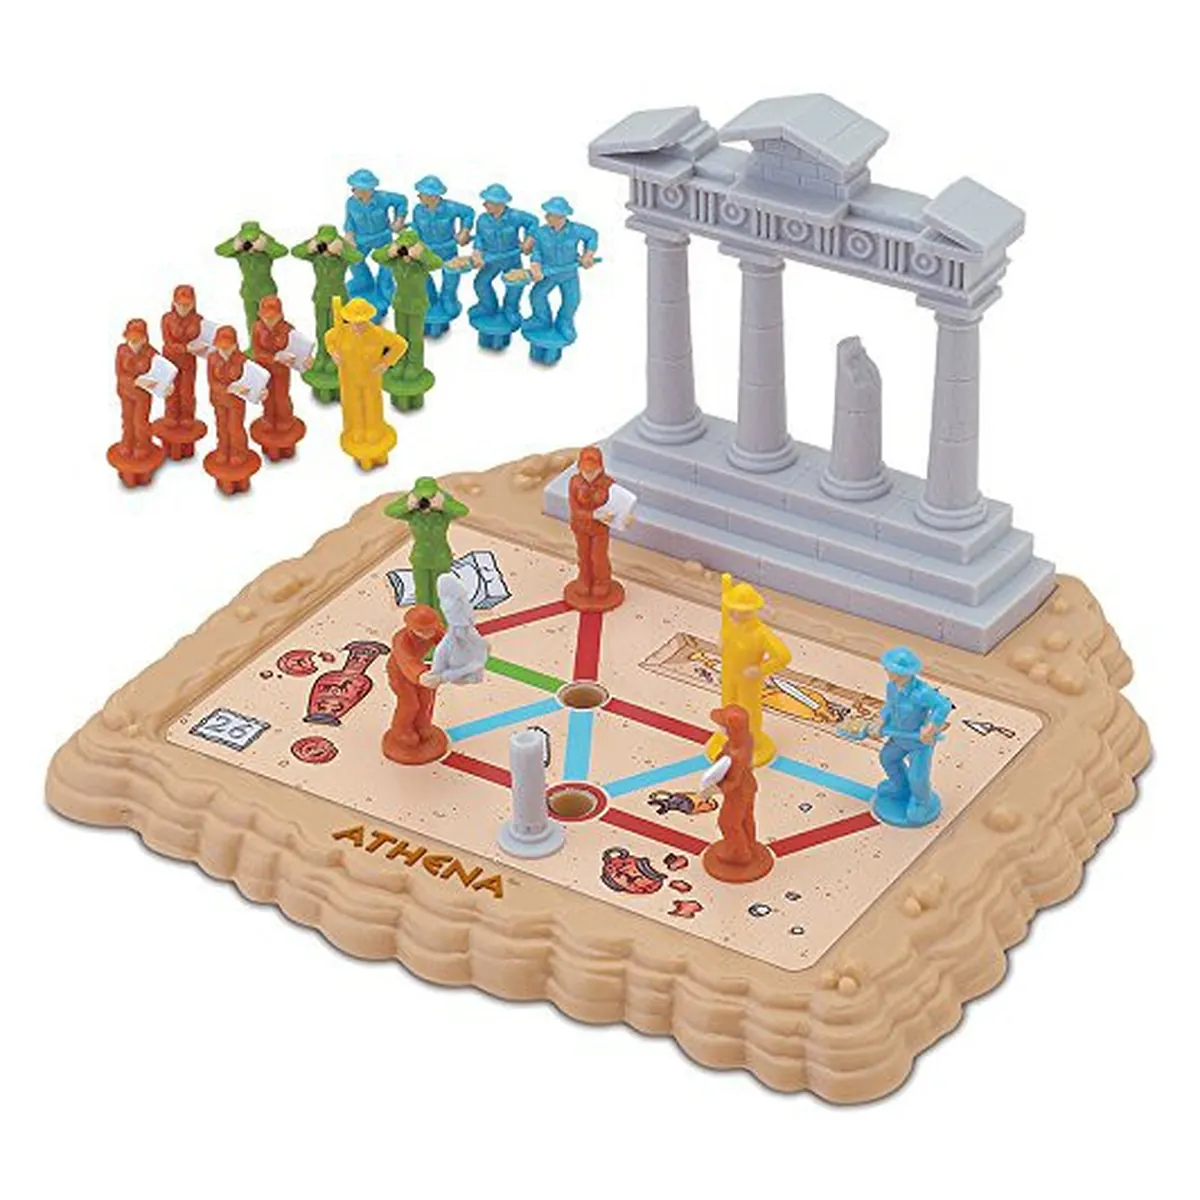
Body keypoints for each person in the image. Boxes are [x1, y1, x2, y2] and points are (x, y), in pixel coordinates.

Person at [707, 573, 791, 767]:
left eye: (738, 610)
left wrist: (760, 669)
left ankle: (750, 743)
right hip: (729, 675)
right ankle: (730, 738)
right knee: (727, 705)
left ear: (750, 611)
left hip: (748, 681)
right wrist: (722, 640)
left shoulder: (761, 634)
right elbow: (726, 632)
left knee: (748, 711)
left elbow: (783, 656)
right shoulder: (730, 623)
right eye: (732, 608)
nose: (733, 613)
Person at [868, 647, 952, 827]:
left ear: (901, 672)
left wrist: (931, 727)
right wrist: (881, 721)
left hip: (919, 743)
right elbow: (890, 706)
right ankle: (900, 787)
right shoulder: (891, 687)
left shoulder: (922, 693)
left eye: (889, 668)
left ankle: (922, 802)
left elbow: (943, 705)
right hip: (898, 738)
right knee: (887, 758)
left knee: (918, 778)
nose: (886, 671)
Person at [324, 296, 406, 469]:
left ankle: (373, 429)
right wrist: (333, 352)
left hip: (370, 379)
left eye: (361, 321)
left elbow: (400, 344)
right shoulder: (341, 332)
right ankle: (358, 429)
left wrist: (386, 362)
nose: (358, 325)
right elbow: (328, 339)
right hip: (349, 379)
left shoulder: (378, 334)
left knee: (372, 404)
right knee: (354, 405)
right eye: (354, 321)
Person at [699, 705, 773, 883]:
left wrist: (712, 789)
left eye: (723, 726)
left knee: (728, 823)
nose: (720, 728)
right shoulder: (746, 740)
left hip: (738, 793)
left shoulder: (736, 753)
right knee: (745, 818)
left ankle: (739, 854)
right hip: (749, 786)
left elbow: (733, 781)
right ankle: (749, 843)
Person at [522, 196, 598, 347]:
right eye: (547, 213)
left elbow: (592, 235)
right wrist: (535, 266)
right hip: (548, 273)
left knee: (572, 299)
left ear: (561, 217)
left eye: (550, 214)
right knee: (537, 295)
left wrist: (588, 254)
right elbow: (537, 252)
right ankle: (541, 319)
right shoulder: (541, 232)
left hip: (568, 274)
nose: (546, 217)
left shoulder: (575, 230)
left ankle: (565, 322)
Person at [382, 605, 448, 765]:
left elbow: (447, 643)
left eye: (431, 629)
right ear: (411, 628)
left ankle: (422, 725)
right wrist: (421, 675)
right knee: (410, 704)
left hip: (422, 671)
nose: (428, 634)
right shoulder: (401, 640)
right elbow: (406, 661)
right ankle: (401, 731)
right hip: (400, 673)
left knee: (426, 699)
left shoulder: (434, 630)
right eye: (423, 631)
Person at [469, 183, 537, 333]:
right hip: (491, 259)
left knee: (515, 285)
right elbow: (479, 238)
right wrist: (477, 252)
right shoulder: (482, 219)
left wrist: (529, 240)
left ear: (499, 204)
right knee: (481, 283)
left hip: (511, 258)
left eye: (488, 202)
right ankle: (488, 306)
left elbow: (533, 222)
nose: (484, 204)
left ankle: (510, 309)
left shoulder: (515, 216)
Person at [564, 446, 624, 612]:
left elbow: (618, 506)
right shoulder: (574, 482)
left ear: (601, 467)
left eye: (593, 470)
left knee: (598, 557)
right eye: (585, 471)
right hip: (581, 527)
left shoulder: (609, 484)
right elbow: (575, 509)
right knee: (583, 555)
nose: (589, 474)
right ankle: (585, 578)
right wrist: (594, 515)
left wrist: (624, 516)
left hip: (599, 530)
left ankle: (602, 581)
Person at [410, 175, 474, 330]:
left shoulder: (450, 208)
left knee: (451, 274)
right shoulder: (418, 210)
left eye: (422, 194)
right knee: (419, 272)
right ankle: (429, 297)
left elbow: (469, 213)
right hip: (426, 251)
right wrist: (415, 242)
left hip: (447, 249)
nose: (419, 196)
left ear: (433, 196)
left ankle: (448, 298)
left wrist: (464, 231)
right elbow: (416, 227)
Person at [108, 318, 167, 486]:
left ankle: (142, 445)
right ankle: (128, 442)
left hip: (142, 396)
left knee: (140, 421)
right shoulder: (121, 351)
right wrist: (134, 381)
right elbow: (120, 374)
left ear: (145, 338)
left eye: (137, 339)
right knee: (127, 419)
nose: (134, 343)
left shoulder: (152, 354)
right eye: (131, 339)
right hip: (126, 392)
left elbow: (163, 373)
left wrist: (166, 385)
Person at [343, 168, 408, 319]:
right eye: (355, 188)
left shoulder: (383, 198)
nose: (356, 192)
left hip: (382, 237)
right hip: (361, 239)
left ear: (371, 190)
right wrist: (349, 235)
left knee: (387, 262)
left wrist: (399, 220)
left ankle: (384, 285)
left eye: (361, 189)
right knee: (354, 259)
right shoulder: (351, 203)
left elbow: (402, 201)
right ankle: (363, 281)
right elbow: (349, 221)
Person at [250, 295, 306, 460]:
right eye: (266, 317)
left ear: (280, 315)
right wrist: (274, 357)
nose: (269, 320)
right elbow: (257, 353)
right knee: (268, 397)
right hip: (265, 371)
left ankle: (285, 420)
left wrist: (304, 359)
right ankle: (269, 419)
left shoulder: (288, 330)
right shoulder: (257, 328)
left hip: (281, 372)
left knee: (281, 397)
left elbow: (298, 350)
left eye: (273, 317)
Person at [155, 284, 207, 458]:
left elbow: (205, 341)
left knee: (187, 391)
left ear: (194, 303)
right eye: (180, 304)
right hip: (170, 361)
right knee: (171, 390)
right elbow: (168, 342)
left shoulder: (199, 320)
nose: (184, 307)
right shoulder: (167, 319)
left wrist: (204, 349)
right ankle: (171, 415)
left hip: (188, 363)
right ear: (174, 303)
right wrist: (185, 348)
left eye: (187, 304)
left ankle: (187, 417)